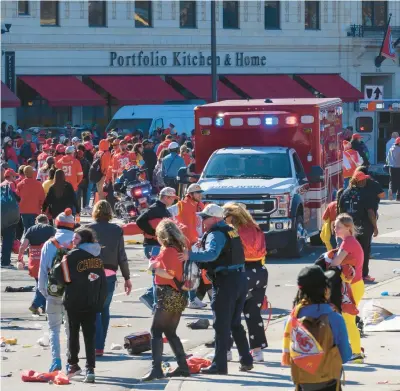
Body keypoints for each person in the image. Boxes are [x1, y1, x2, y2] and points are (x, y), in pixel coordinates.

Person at [187, 204, 253, 375]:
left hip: (226, 282)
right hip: (239, 279)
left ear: (215, 218)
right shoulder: (230, 230)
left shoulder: (216, 233)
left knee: (221, 325)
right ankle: (246, 359)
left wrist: (190, 255)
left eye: (205, 217)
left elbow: (212, 255)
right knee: (235, 323)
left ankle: (219, 365)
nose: (202, 220)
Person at [282, 265, 352, 390]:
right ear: (325, 290)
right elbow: (345, 355)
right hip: (329, 382)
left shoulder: (292, 320)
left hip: (303, 382)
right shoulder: (335, 317)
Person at [142, 219, 190, 382]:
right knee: (170, 332)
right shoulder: (179, 248)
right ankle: (183, 367)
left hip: (167, 294)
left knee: (156, 331)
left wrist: (153, 268)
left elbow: (169, 274)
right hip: (178, 295)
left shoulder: (169, 250)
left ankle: (156, 369)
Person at [58, 227, 107, 383]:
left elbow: (58, 274)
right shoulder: (97, 257)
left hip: (74, 300)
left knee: (73, 333)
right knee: (89, 336)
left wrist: (67, 283)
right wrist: (100, 302)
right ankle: (90, 369)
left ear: (83, 240)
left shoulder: (72, 256)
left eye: (76, 238)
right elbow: (102, 282)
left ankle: (73, 364)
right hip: (92, 300)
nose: (73, 240)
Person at [222, 203, 268, 362]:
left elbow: (230, 253)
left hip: (242, 271)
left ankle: (226, 350)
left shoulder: (234, 231)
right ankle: (257, 351)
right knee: (253, 313)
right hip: (260, 272)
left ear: (231, 216)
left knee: (229, 312)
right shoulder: (256, 228)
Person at [88, 200, 132, 356]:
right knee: (104, 309)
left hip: (91, 272)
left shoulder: (87, 229)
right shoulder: (117, 230)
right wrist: (127, 277)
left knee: (94, 310)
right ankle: (100, 345)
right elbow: (122, 256)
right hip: (110, 274)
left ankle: (95, 344)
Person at [38, 209, 75, 372]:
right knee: (70, 328)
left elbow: (43, 271)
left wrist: (45, 292)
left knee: (54, 328)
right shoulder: (77, 242)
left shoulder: (49, 244)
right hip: (73, 293)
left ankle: (56, 361)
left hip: (53, 292)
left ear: (57, 224)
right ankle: (70, 361)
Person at [330, 214, 365, 364]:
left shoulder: (348, 243)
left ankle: (357, 353)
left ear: (348, 228)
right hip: (354, 285)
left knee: (348, 320)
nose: (335, 229)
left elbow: (335, 262)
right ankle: (355, 349)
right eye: (334, 226)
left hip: (352, 287)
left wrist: (326, 258)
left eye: (338, 227)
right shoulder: (349, 242)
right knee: (347, 319)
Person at [136, 187, 177, 310]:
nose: (173, 201)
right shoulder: (155, 209)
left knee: (160, 275)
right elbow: (140, 220)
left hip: (156, 245)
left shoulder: (163, 210)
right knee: (157, 276)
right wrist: (154, 233)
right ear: (166, 197)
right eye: (172, 198)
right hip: (153, 246)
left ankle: (150, 297)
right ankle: (155, 304)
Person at [168, 183, 206, 309]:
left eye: (201, 192)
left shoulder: (200, 206)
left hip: (195, 244)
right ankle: (191, 299)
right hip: (184, 245)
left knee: (191, 273)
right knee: (185, 273)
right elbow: (167, 214)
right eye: (198, 192)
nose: (200, 195)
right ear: (190, 194)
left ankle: (192, 298)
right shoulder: (181, 205)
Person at [339, 171, 378, 282]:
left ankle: (348, 274)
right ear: (361, 181)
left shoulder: (345, 193)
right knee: (364, 251)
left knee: (348, 252)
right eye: (364, 179)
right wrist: (375, 227)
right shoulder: (365, 193)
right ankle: (363, 275)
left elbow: (340, 211)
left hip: (348, 228)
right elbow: (370, 212)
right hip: (364, 227)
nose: (366, 181)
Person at [18, 214, 55, 315]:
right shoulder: (50, 229)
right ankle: (35, 304)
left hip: (33, 260)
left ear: (36, 221)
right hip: (46, 259)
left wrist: (20, 258)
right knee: (45, 284)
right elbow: (54, 243)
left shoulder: (30, 230)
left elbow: (23, 246)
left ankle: (43, 307)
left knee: (39, 282)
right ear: (47, 221)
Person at [1, 165, 20, 268]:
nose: (15, 178)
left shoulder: (1, 185)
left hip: (1, 214)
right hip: (10, 215)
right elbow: (17, 198)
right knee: (8, 238)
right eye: (14, 176)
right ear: (11, 176)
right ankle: (5, 262)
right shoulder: (11, 184)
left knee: (3, 238)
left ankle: (3, 259)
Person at [17, 166, 45, 233]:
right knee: (34, 229)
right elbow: (42, 198)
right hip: (35, 210)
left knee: (26, 229)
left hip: (23, 211)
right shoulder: (38, 184)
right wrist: (41, 207)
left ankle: (27, 242)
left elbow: (17, 198)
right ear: (32, 173)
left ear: (24, 173)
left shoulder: (20, 185)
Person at [75, 145, 91, 214]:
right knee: (81, 195)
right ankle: (82, 208)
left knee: (80, 195)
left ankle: (81, 209)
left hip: (80, 180)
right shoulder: (86, 161)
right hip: (82, 180)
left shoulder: (75, 161)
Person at [386, 136, 400, 201]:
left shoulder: (391, 148)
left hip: (391, 167)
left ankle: (390, 193)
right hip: (398, 167)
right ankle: (398, 197)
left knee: (391, 181)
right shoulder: (399, 149)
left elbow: (387, 158)